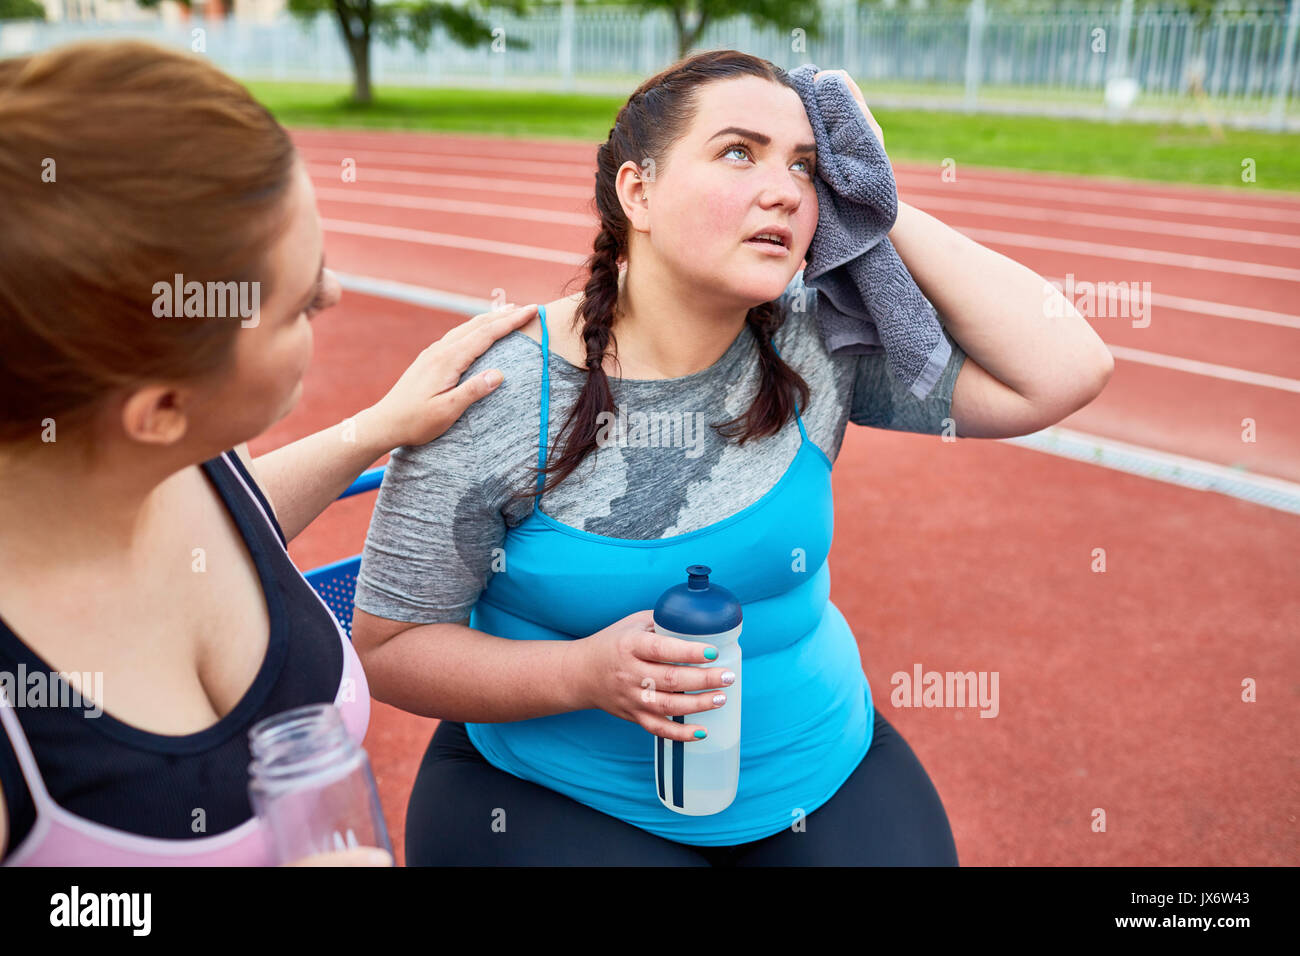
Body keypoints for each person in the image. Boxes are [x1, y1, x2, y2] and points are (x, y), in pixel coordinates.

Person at [352, 49, 1115, 866]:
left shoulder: (817, 341)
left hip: (820, 769)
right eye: (738, 153)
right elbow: (389, 647)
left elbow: (1065, 372)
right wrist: (582, 676)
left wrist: (878, 204)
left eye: (806, 167)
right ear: (637, 192)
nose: (786, 188)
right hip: (556, 792)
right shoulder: (500, 390)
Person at [0, 40, 534, 866]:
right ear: (161, 409)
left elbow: (231, 519)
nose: (333, 294)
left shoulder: (181, 463)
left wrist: (376, 427)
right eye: (299, 304)